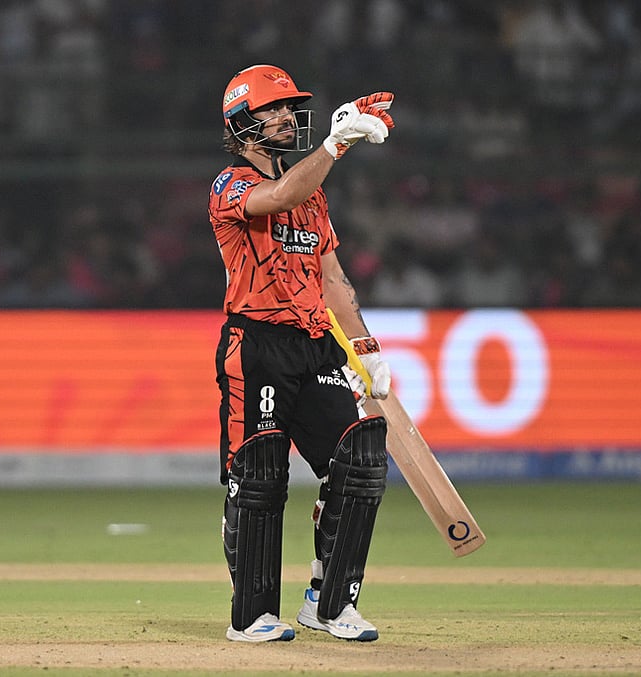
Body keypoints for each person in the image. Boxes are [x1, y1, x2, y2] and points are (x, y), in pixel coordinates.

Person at [208, 64, 395, 643]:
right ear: (243, 123)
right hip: (256, 346)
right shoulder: (229, 185)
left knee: (361, 456)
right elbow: (281, 193)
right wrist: (336, 143)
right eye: (275, 108)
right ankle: (252, 615)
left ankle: (329, 602)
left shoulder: (313, 201)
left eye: (292, 107)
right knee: (262, 476)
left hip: (316, 346)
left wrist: (365, 348)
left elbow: (333, 279)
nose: (288, 115)